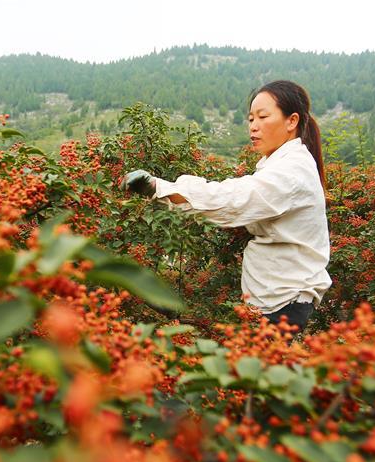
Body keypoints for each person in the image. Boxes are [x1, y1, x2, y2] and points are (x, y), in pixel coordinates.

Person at [121, 80, 331, 333]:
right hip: (273, 299)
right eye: (251, 118)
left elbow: (233, 199)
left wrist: (159, 187)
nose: (253, 126)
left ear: (291, 121)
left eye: (263, 117)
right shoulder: (279, 163)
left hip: (282, 303)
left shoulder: (291, 170)